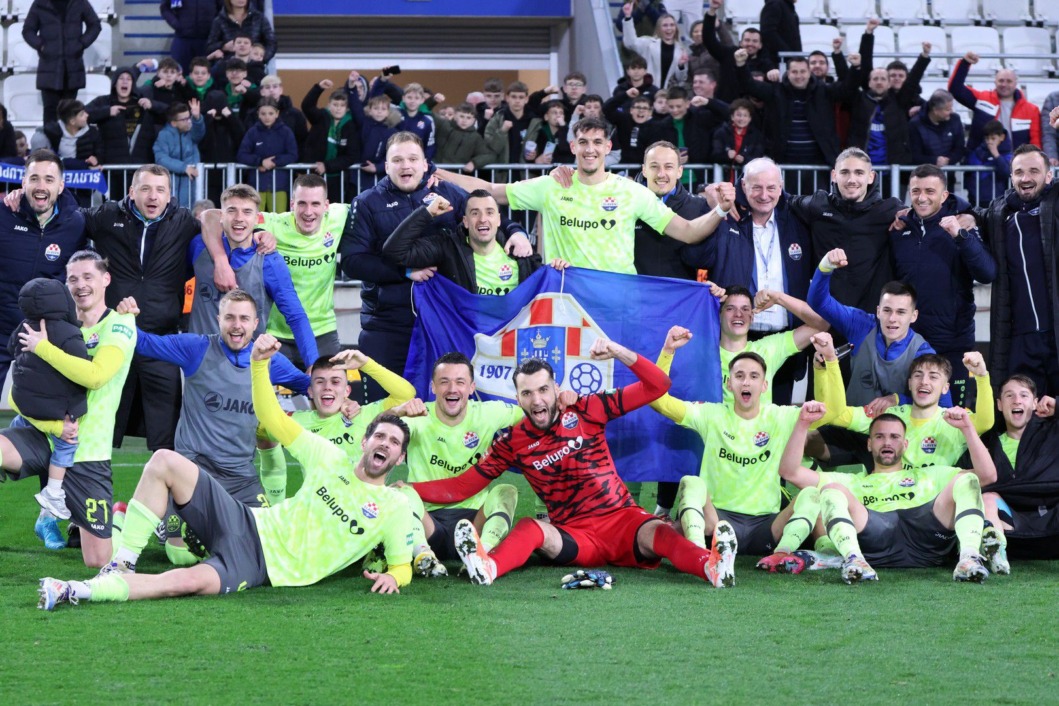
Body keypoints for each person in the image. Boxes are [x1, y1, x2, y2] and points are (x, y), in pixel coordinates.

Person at [36, 334, 415, 611]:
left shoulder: (394, 506)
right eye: (380, 436)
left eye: (394, 442)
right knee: (164, 461)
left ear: (399, 458)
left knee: (183, 581)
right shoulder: (329, 456)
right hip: (249, 522)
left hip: (259, 566)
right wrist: (260, 364)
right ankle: (122, 561)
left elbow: (401, 566)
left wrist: (394, 576)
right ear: (365, 441)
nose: (384, 443)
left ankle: (74, 589)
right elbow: (270, 421)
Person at [408, 339, 739, 588]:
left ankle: (711, 566)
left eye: (543, 389)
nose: (537, 400)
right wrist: (409, 489)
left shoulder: (587, 408)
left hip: (623, 522)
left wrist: (617, 351)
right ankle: (487, 567)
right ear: (517, 398)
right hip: (576, 537)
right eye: (527, 393)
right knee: (531, 528)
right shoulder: (512, 442)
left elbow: (658, 386)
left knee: (661, 534)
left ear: (556, 388)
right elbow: (463, 486)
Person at [116, 288, 308, 564]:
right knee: (182, 556)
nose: (237, 325)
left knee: (267, 547)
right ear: (219, 319)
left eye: (244, 318)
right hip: (194, 472)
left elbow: (311, 386)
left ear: (256, 323)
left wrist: (343, 396)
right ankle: (127, 516)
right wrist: (125, 319)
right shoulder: (196, 348)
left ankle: (174, 520)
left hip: (241, 477)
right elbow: (144, 343)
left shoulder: (269, 360)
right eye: (230, 317)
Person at [342, 132, 531, 402]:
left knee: (442, 405)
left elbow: (482, 216)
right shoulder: (367, 203)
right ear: (386, 166)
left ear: (425, 164)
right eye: (397, 160)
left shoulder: (447, 192)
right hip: (388, 324)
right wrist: (405, 273)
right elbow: (352, 262)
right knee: (383, 407)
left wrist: (515, 231)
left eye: (412, 159)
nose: (406, 166)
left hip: (444, 321)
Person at [435, 118, 735, 276]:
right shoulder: (551, 186)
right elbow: (490, 190)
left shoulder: (632, 191)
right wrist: (436, 172)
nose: (590, 149)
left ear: (608, 147)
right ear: (573, 146)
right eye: (583, 142)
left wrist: (720, 210)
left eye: (597, 142)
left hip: (618, 303)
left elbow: (688, 231)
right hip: (568, 299)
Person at [1, 250, 136, 567]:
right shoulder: (47, 325)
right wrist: (53, 427)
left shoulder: (120, 324)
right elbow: (18, 393)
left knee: (98, 560)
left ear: (106, 279)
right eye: (73, 279)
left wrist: (43, 348)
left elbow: (96, 376)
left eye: (88, 276)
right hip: (43, 436)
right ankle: (48, 513)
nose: (80, 285)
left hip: (88, 453)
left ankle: (118, 519)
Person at [776, 400, 997, 584]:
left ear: (905, 444)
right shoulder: (854, 481)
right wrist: (803, 424)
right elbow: (789, 472)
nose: (887, 442)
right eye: (880, 437)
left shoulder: (930, 474)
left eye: (894, 437)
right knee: (831, 490)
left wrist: (968, 429)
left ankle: (969, 558)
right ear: (869, 444)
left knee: (968, 479)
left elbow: (987, 476)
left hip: (927, 539)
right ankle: (855, 560)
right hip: (875, 541)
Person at [652, 328, 829, 557]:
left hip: (766, 528)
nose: (746, 382)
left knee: (812, 494)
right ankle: (698, 555)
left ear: (764, 385)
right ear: (729, 383)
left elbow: (831, 413)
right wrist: (668, 351)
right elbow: (658, 400)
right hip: (717, 524)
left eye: (754, 376)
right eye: (739, 376)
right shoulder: (710, 415)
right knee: (691, 483)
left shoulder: (781, 416)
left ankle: (782, 555)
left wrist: (825, 368)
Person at [388, 353, 527, 575]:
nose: (452, 389)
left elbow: (535, 416)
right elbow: (376, 434)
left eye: (460, 382)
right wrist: (395, 413)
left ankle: (482, 554)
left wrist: (559, 398)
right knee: (402, 493)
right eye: (444, 382)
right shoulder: (417, 416)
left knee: (506, 491)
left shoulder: (489, 413)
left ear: (472, 388)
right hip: (427, 522)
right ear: (433, 387)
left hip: (475, 525)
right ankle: (424, 556)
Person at [891, 164, 996, 406]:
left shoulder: (962, 226)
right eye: (916, 191)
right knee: (910, 416)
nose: (922, 198)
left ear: (944, 195)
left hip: (953, 345)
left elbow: (987, 272)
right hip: (910, 344)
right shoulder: (899, 230)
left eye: (930, 191)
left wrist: (961, 236)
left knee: (954, 417)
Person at [812, 334, 994, 471]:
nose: (924, 382)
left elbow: (985, 422)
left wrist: (982, 376)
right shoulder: (888, 416)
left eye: (933, 377)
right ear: (909, 383)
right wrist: (827, 366)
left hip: (934, 504)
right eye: (918, 375)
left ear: (945, 388)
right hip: (891, 501)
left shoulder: (953, 420)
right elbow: (838, 415)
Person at [187, 184, 318, 365]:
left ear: (257, 219)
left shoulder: (270, 262)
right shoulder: (198, 246)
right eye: (232, 210)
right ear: (221, 215)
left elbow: (296, 317)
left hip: (246, 367)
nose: (239, 218)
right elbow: (169, 281)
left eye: (247, 212)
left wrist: (313, 364)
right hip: (200, 366)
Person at [973, 142, 1059, 396]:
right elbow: (977, 214)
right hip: (1021, 339)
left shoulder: (1055, 205)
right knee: (1022, 412)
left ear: (1049, 176)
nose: (1026, 178)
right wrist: (969, 216)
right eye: (1019, 172)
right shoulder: (1001, 215)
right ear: (1011, 177)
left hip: (1055, 334)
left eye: (1034, 171)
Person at [808, 248, 943, 407]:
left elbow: (941, 404)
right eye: (887, 310)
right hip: (853, 420)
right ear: (878, 311)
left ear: (914, 316)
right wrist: (826, 266)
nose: (892, 319)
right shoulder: (861, 326)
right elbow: (818, 302)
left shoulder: (922, 352)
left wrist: (898, 399)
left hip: (897, 423)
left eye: (901, 312)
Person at [0, 151, 88, 391]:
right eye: (34, 178)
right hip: (1, 325)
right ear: (23, 183)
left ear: (61, 186)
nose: (41, 186)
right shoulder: (3, 214)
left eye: (49, 180)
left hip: (44, 335)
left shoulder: (76, 224)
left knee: (44, 406)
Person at [7, 278, 88, 529]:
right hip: (57, 408)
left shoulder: (23, 326)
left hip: (28, 403)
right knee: (66, 446)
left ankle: (13, 445)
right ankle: (53, 492)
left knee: (22, 425)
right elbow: (81, 368)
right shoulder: (69, 332)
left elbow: (11, 348)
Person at [789, 147, 903, 314]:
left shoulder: (889, 210)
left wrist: (911, 214)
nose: (851, 179)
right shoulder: (818, 205)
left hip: (869, 318)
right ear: (834, 175)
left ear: (871, 177)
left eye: (859, 173)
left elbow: (926, 215)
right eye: (844, 172)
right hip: (825, 316)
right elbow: (778, 199)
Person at [382, 190, 546, 296]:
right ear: (465, 222)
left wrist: (558, 267)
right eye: (475, 213)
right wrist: (427, 213)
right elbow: (394, 251)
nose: (483, 219)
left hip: (510, 339)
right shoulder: (448, 248)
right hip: (468, 338)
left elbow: (549, 284)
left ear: (498, 220)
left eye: (489, 213)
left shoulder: (520, 254)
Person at [979, 375, 1059, 566]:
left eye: (1024, 395)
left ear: (1035, 403)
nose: (1017, 400)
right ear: (999, 404)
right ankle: (997, 557)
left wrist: (1058, 405)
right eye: (1009, 395)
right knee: (987, 498)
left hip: (1054, 523)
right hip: (1010, 529)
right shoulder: (986, 444)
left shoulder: (1054, 431)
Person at [23, 0, 102, 124]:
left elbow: (95, 25)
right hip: (49, 68)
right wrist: (42, 46)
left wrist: (81, 44)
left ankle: (67, 138)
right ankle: (50, 138)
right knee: (50, 114)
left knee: (70, 114)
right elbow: (28, 30)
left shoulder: (79, 2)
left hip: (72, 69)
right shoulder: (40, 3)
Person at [948, 51, 1041, 152]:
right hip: (981, 158)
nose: (1004, 84)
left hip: (1014, 160)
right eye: (1001, 80)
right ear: (995, 82)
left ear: (1015, 83)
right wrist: (965, 63)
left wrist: (1034, 158)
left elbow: (1035, 141)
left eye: (1009, 81)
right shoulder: (982, 99)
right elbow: (955, 89)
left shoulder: (1031, 110)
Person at [86, 66, 165, 168]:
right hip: (112, 167)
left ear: (133, 84)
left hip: (141, 167)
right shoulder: (103, 102)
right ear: (115, 83)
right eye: (121, 78)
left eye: (129, 79)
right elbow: (81, 115)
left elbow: (172, 114)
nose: (125, 82)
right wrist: (107, 111)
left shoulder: (143, 103)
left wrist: (153, 105)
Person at [701, 1, 775, 103]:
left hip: (751, 110)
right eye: (747, 40)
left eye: (754, 41)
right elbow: (709, 40)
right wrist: (712, 11)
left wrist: (773, 72)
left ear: (760, 45)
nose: (750, 44)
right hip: (725, 107)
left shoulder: (765, 63)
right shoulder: (728, 54)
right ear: (740, 43)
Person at [236, 97, 299, 212]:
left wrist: (274, 162)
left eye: (270, 113)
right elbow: (242, 155)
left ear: (277, 113)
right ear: (258, 114)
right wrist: (260, 162)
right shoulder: (252, 132)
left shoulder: (286, 132)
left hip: (279, 185)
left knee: (278, 218)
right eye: (263, 114)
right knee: (255, 218)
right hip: (256, 185)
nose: (267, 117)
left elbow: (293, 154)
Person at [302, 79, 360, 199]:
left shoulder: (351, 126)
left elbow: (351, 156)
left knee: (334, 207)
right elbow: (306, 106)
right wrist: (318, 88)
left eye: (342, 105)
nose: (338, 108)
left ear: (347, 108)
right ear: (329, 105)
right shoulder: (321, 117)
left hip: (337, 177)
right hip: (314, 174)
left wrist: (327, 166)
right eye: (335, 104)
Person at [620, 4, 689, 91]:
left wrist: (681, 66)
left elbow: (681, 78)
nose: (669, 28)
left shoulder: (681, 49)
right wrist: (628, 18)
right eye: (665, 25)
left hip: (668, 93)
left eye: (672, 25)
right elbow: (630, 43)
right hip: (648, 90)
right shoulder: (648, 43)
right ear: (659, 28)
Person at [154, 101, 206, 209]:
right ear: (173, 123)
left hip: (190, 186)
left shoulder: (191, 133)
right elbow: (161, 158)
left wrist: (197, 118)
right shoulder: (163, 135)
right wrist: (184, 167)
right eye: (184, 119)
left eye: (189, 118)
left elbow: (199, 133)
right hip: (171, 186)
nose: (189, 121)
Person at [247, 75, 309, 161]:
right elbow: (247, 143)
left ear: (281, 90)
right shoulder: (252, 115)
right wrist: (258, 161)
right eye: (267, 87)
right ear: (262, 91)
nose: (271, 90)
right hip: (259, 166)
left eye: (275, 87)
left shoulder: (295, 114)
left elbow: (302, 141)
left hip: (289, 164)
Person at [908, 90, 967, 169]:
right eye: (947, 109)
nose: (951, 111)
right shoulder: (915, 124)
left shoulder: (955, 120)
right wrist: (934, 160)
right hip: (924, 174)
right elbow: (914, 155)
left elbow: (959, 148)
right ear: (935, 110)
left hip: (948, 175)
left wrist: (948, 160)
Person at [206, 0, 275, 63]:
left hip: (255, 66)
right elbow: (210, 46)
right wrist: (223, 46)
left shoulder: (258, 18)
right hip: (228, 66)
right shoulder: (220, 20)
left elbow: (271, 43)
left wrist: (261, 59)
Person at [484, 81, 535, 165]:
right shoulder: (497, 119)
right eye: (514, 97)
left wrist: (535, 154)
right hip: (503, 170)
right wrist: (502, 131)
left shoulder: (534, 121)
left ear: (526, 99)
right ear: (507, 98)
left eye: (521, 97)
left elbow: (541, 144)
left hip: (525, 171)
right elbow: (490, 148)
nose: (517, 101)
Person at [435, 103, 496, 172]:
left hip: (457, 174)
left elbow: (488, 155)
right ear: (455, 116)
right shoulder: (445, 127)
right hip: (436, 170)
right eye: (461, 116)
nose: (464, 121)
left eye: (468, 118)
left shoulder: (475, 137)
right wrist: (433, 101)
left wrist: (474, 163)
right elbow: (430, 114)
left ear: (474, 120)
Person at [712, 99, 765, 179]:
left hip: (747, 179)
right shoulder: (721, 133)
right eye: (739, 115)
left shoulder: (756, 135)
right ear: (732, 117)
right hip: (725, 178)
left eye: (745, 115)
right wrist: (726, 155)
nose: (741, 119)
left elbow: (759, 157)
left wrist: (744, 159)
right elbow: (714, 155)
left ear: (750, 118)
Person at [161, 0, 219, 72]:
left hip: (207, 40)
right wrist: (175, 23)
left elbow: (223, 9)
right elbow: (165, 8)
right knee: (180, 72)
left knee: (205, 73)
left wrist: (214, 26)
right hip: (182, 39)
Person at [965, 120, 1014, 204]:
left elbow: (1006, 172)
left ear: (1002, 137)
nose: (989, 142)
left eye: (993, 138)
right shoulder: (979, 151)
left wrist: (996, 155)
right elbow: (970, 168)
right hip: (976, 198)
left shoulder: (1007, 154)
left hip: (997, 198)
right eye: (987, 138)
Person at [760, 0, 801, 66]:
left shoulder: (788, 8)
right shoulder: (774, 5)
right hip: (779, 63)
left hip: (790, 62)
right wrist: (789, 55)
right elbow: (768, 32)